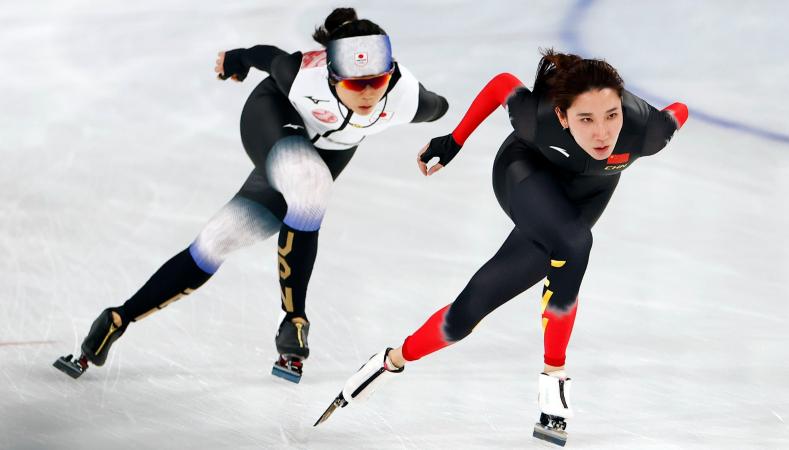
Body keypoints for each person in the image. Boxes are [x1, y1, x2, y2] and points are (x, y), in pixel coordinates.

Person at [53, 8, 449, 383]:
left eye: (377, 81)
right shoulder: (302, 76)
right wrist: (236, 59)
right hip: (272, 115)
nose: (367, 93)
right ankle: (294, 320)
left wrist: (449, 140)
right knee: (311, 182)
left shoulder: (405, 96)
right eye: (354, 84)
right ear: (331, 77)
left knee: (218, 240)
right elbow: (267, 56)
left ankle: (117, 319)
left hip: (315, 158)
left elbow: (440, 107)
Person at [319, 49, 688, 444]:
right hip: (524, 172)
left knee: (469, 312)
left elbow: (679, 111)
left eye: (611, 115)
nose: (602, 133)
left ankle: (390, 361)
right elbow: (501, 85)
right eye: (586, 119)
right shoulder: (537, 118)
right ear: (563, 116)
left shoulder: (648, 130)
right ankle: (554, 378)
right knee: (575, 241)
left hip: (583, 199)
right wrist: (454, 140)